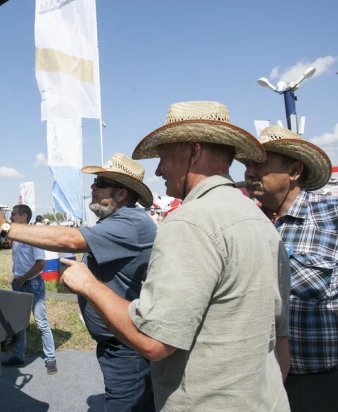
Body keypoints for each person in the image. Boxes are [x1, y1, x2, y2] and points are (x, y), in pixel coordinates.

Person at [60, 101, 291, 411]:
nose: (158, 170)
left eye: (163, 157)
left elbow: (153, 343)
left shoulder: (190, 221)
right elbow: (281, 345)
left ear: (193, 151)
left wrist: (88, 284)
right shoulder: (260, 220)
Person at [0, 153, 157, 412]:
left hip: (127, 348)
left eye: (100, 182)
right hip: (118, 343)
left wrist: (5, 227)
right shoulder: (121, 221)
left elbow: (69, 239)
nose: (92, 187)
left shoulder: (131, 223)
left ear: (121, 195)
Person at [244, 125, 337, 412]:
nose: (249, 172)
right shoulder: (246, 223)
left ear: (294, 170)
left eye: (259, 163)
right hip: (260, 381)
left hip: (322, 383)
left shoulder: (331, 216)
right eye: (247, 164)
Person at [0, 204, 57, 375]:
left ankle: (51, 358)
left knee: (41, 322)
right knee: (20, 323)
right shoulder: (16, 236)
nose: (11, 218)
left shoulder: (33, 237)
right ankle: (19, 356)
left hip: (32, 284)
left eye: (14, 215)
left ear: (24, 216)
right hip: (19, 284)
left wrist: (23, 278)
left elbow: (41, 264)